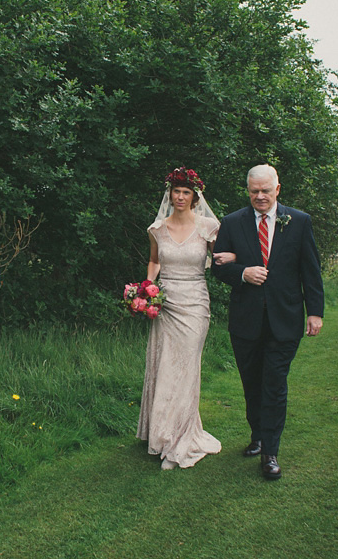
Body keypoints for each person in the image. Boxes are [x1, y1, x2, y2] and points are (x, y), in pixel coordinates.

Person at [211, 164, 324, 480]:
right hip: (245, 320)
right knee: (252, 382)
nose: (259, 197)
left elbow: (310, 271)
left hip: (285, 319)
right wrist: (243, 272)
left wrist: (315, 312)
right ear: (248, 191)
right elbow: (218, 267)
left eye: (265, 190)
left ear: (277, 189)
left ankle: (271, 452)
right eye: (253, 191)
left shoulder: (299, 222)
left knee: (274, 383)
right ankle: (257, 435)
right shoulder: (233, 223)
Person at [137, 166, 223, 470]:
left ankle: (181, 440)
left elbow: (224, 258)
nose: (181, 196)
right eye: (177, 191)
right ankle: (161, 433)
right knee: (165, 366)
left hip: (196, 304)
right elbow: (154, 261)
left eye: (187, 192)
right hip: (166, 303)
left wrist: (237, 262)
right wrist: (147, 289)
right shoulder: (157, 229)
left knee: (186, 367)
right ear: (170, 194)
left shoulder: (210, 228)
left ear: (195, 196)